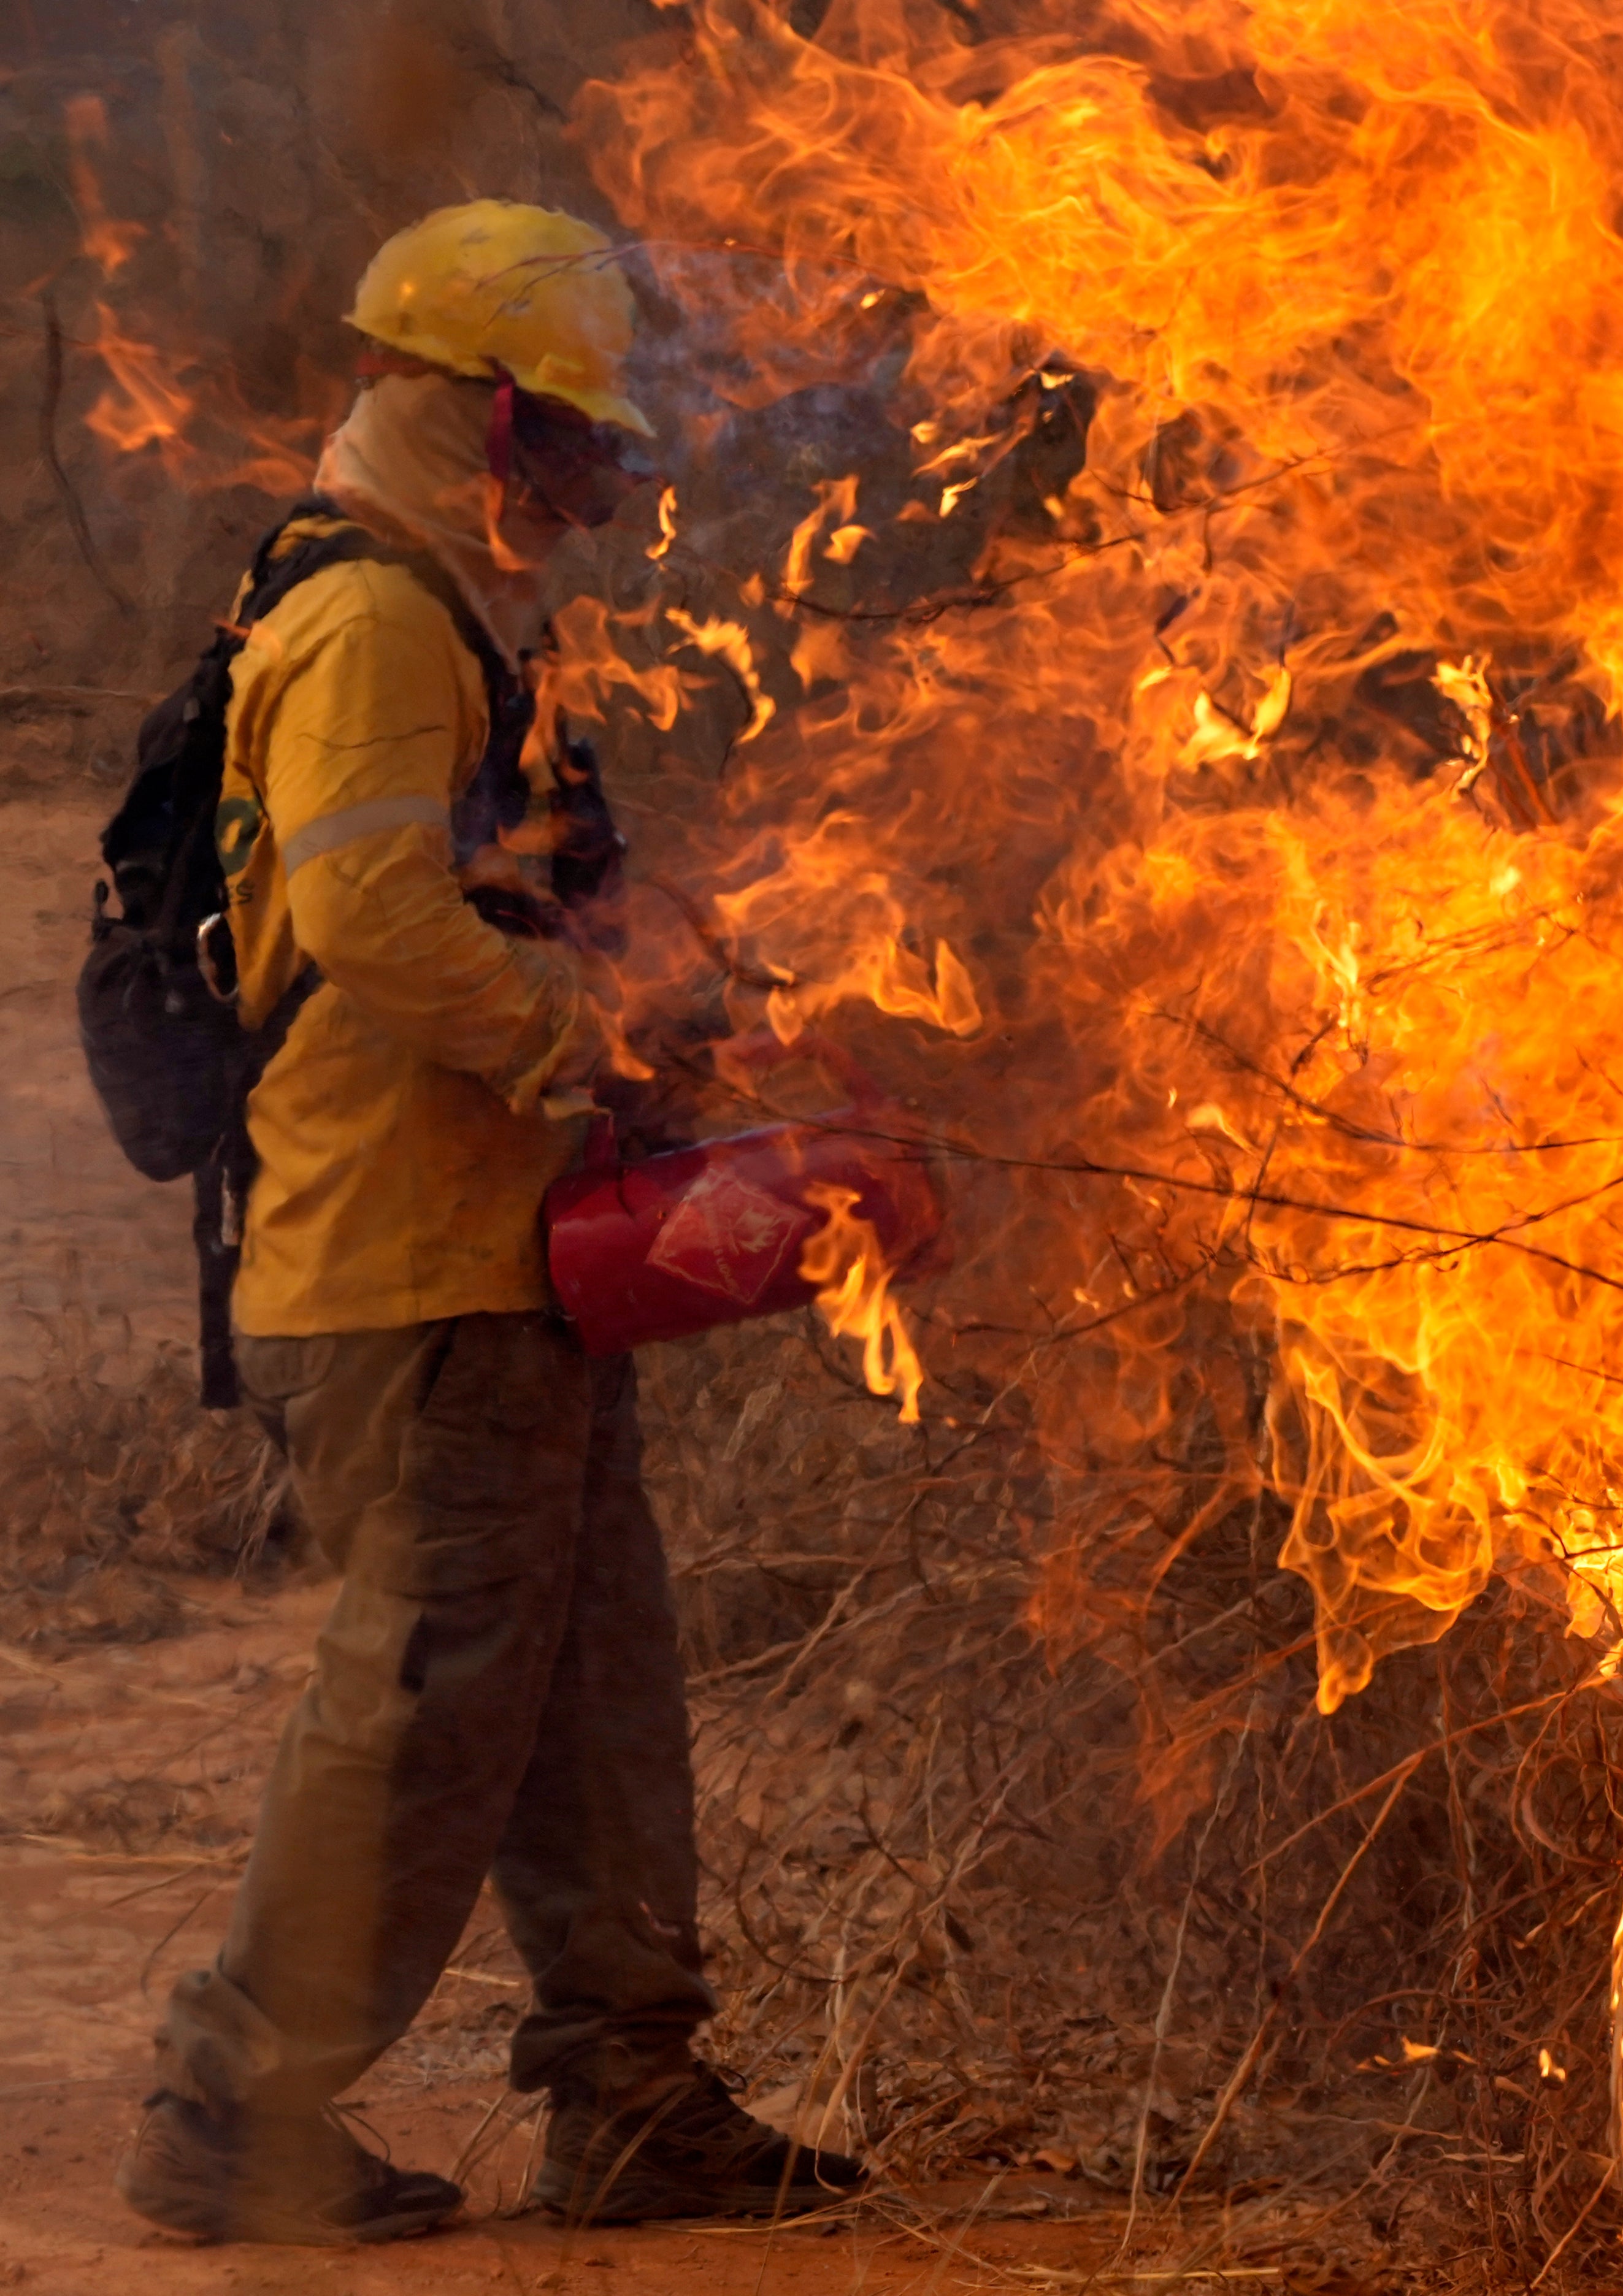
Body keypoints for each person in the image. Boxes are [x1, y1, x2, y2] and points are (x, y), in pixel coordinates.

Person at [112, 201, 864, 2247]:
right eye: (576, 442)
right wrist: (582, 1041)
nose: (600, 490)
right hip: (407, 1261)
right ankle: (227, 2110)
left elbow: (489, 891)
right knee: (437, 1693)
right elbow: (367, 921)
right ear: (480, 410)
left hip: (503, 1257)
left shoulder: (442, 610)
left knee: (587, 1687)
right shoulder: (367, 622)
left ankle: (636, 2096)